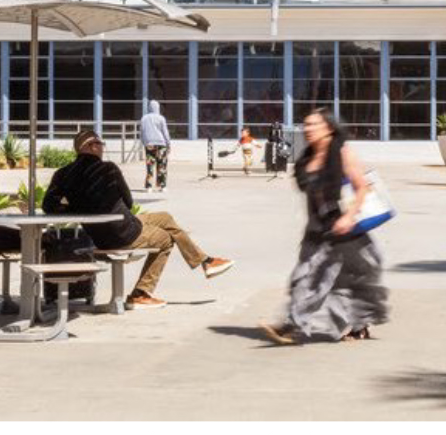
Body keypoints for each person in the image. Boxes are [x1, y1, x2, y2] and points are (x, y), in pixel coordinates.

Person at [42, 129, 231, 307]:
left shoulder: (62, 174)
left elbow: (48, 206)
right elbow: (129, 202)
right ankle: (141, 294)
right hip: (122, 233)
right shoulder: (108, 169)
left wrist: (76, 208)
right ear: (91, 146)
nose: (102, 148)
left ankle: (206, 262)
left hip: (99, 234)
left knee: (165, 218)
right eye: (100, 144)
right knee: (165, 239)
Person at [263, 107, 389, 344]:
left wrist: (348, 217)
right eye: (306, 125)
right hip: (316, 228)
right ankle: (358, 325)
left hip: (341, 228)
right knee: (317, 278)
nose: (307, 129)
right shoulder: (307, 156)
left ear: (329, 128)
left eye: (314, 125)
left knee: (315, 279)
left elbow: (362, 188)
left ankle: (291, 326)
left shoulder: (342, 152)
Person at [138, 100, 171, 191]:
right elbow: (165, 132)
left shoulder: (144, 118)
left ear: (149, 107)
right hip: (161, 144)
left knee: (150, 165)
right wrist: (168, 144)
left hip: (149, 144)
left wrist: (144, 142)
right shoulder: (161, 118)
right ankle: (162, 186)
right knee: (162, 165)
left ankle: (149, 186)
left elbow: (142, 132)